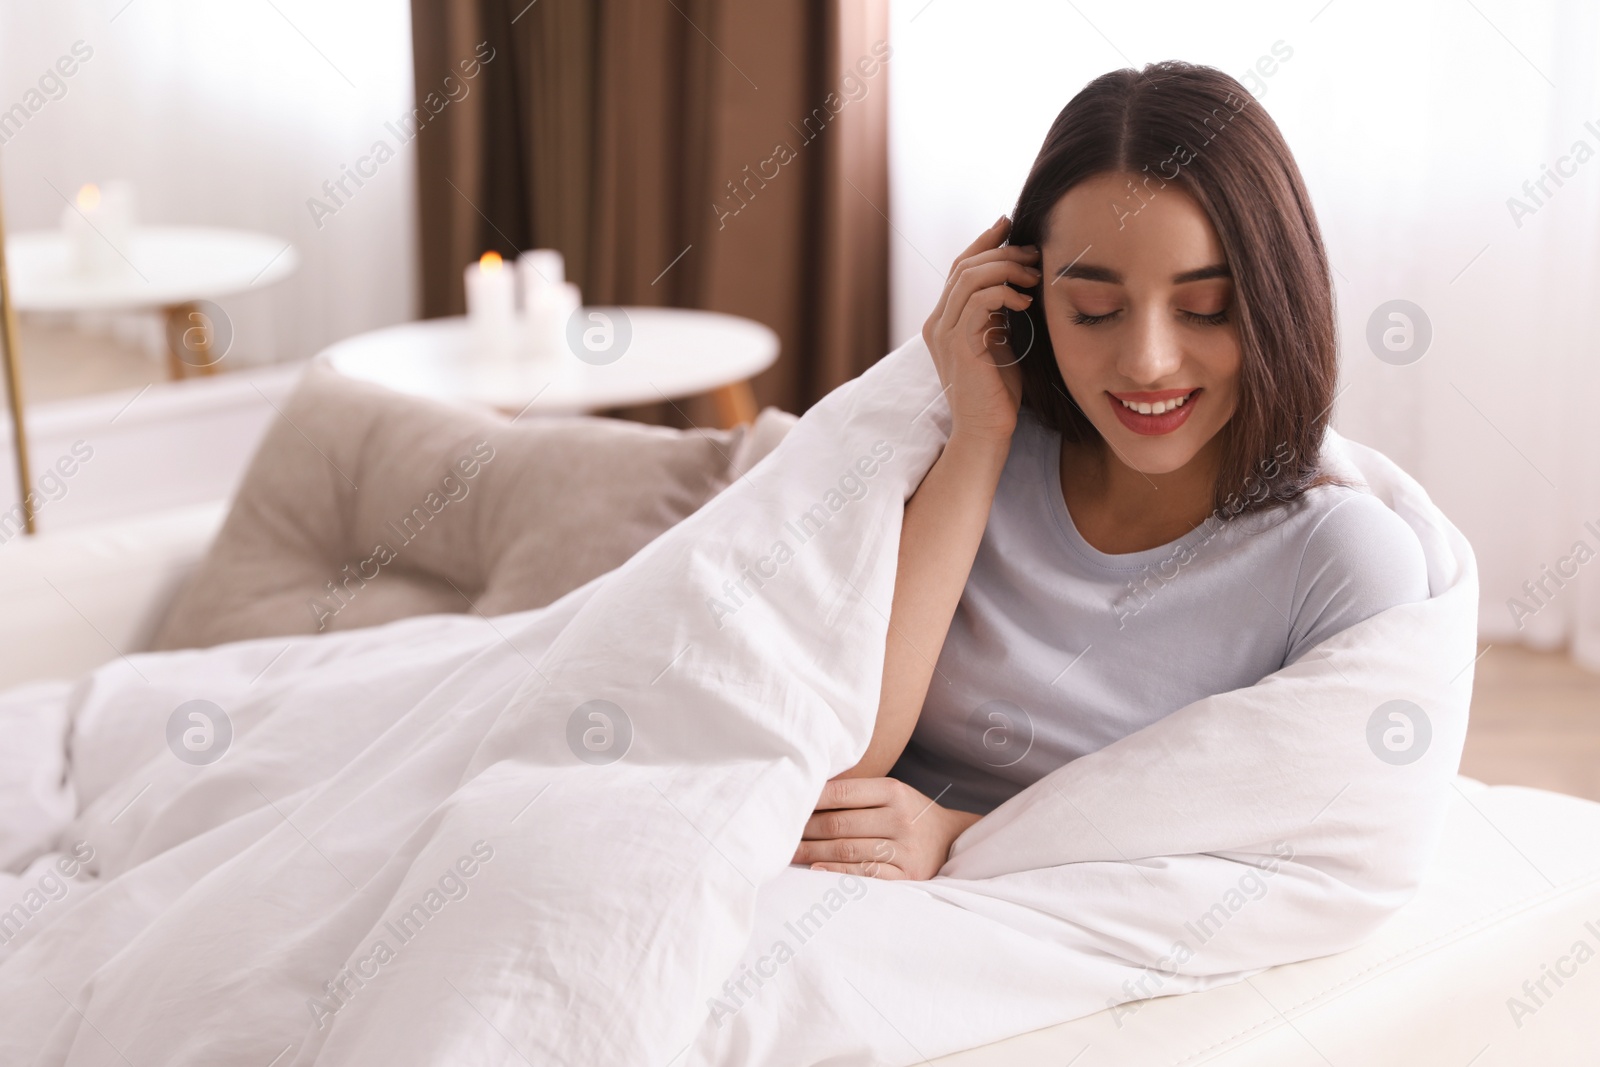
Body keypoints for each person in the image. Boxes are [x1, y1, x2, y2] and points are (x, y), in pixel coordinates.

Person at [792, 61, 1429, 880]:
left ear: (1278, 299)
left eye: (1205, 309)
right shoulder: (965, 454)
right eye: (1093, 311)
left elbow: (1313, 847)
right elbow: (843, 750)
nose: (1148, 362)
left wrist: (960, 835)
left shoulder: (1340, 560)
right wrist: (980, 441)